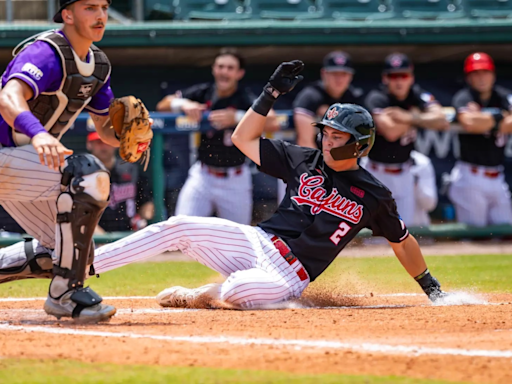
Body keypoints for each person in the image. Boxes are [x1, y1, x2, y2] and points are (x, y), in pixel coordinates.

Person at [90, 61, 448, 310]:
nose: (327, 140)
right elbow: (244, 138)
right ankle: (84, 265)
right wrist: (271, 92)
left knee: (237, 291)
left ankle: (201, 295)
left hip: (291, 273)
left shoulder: (373, 194)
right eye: (326, 132)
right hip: (256, 241)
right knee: (177, 226)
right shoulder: (304, 159)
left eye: (338, 136)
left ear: (359, 143)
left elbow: (402, 241)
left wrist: (430, 286)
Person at [0, 0, 142, 322]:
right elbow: (8, 98)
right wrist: (39, 134)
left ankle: (67, 281)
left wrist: (128, 139)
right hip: (10, 152)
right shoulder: (47, 52)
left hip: (16, 163)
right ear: (67, 14)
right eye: (90, 7)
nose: (101, 15)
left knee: (72, 253)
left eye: (104, 7)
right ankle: (65, 295)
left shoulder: (99, 65)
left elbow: (105, 130)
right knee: (88, 176)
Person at [156, 48, 279, 225]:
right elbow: (162, 105)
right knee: (180, 227)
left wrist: (237, 118)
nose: (224, 72)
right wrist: (183, 104)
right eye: (221, 67)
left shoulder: (245, 97)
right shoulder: (204, 92)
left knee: (237, 239)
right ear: (214, 69)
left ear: (239, 73)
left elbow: (273, 120)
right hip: (203, 175)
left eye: (230, 68)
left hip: (235, 178)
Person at [363, 53, 447, 225]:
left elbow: (442, 120)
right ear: (385, 78)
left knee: (404, 232)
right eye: (393, 76)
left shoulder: (416, 94)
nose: (399, 81)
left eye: (404, 75)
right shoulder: (377, 97)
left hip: (405, 173)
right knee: (378, 236)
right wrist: (420, 117)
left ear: (411, 77)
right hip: (377, 173)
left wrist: (409, 117)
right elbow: (391, 132)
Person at [448, 52, 512, 226]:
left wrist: (484, 118)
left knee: (506, 234)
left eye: (485, 72)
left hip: (498, 177)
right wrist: (500, 117)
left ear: (493, 74)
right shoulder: (464, 97)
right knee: (475, 237)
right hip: (470, 176)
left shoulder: (503, 96)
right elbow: (469, 122)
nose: (481, 77)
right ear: (468, 77)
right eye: (475, 73)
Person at [293, 51, 364, 148]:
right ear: (324, 73)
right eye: (334, 73)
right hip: (311, 157)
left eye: (344, 74)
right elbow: (305, 142)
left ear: (351, 76)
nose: (339, 79)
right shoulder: (310, 96)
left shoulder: (354, 98)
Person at [86, 132, 154, 233]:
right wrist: (100, 237)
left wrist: (142, 220)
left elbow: (147, 202)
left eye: (107, 142)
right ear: (89, 145)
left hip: (129, 233)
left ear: (116, 144)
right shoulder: (83, 174)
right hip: (94, 238)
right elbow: (80, 214)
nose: (103, 147)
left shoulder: (130, 169)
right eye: (99, 142)